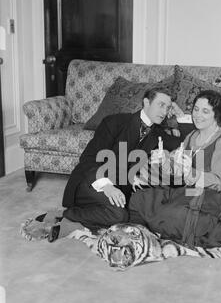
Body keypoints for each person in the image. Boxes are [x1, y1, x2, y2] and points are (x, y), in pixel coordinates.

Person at [41, 86, 183, 241]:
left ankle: (82, 222)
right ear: (146, 103)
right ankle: (65, 214)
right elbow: (89, 159)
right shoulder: (115, 122)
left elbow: (182, 142)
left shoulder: (156, 133)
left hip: (120, 188)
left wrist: (179, 116)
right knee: (119, 215)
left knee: (139, 217)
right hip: (90, 181)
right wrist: (106, 186)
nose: (164, 112)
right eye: (161, 105)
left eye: (167, 107)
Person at [129, 90, 221, 249]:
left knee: (170, 214)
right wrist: (163, 161)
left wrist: (190, 173)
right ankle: (164, 225)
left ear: (216, 115)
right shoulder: (192, 136)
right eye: (196, 109)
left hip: (214, 193)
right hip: (189, 189)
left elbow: (219, 182)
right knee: (139, 198)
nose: (198, 115)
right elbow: (177, 171)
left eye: (205, 111)